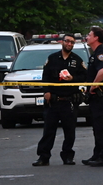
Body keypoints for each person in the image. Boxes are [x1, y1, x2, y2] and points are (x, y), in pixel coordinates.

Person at [32, 33, 87, 166]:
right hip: (53, 101)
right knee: (49, 130)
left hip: (69, 101)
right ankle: (43, 157)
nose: (69, 44)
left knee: (69, 131)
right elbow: (45, 77)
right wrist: (46, 91)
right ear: (62, 42)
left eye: (72, 42)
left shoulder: (77, 60)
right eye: (67, 41)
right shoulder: (52, 58)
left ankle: (68, 156)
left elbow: (85, 76)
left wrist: (73, 79)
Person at [82, 26, 103, 167]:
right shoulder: (94, 54)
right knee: (97, 127)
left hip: (101, 96)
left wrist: (93, 86)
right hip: (96, 98)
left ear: (96, 38)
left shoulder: (102, 54)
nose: (87, 37)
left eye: (89, 35)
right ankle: (98, 154)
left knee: (102, 127)